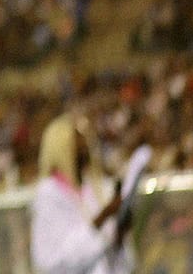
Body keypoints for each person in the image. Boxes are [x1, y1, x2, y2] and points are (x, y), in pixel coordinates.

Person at [31, 115, 132, 274]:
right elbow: (54, 258)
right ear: (61, 147)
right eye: (78, 141)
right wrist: (103, 216)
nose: (85, 146)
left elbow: (107, 251)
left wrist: (120, 232)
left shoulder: (92, 188)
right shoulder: (49, 193)